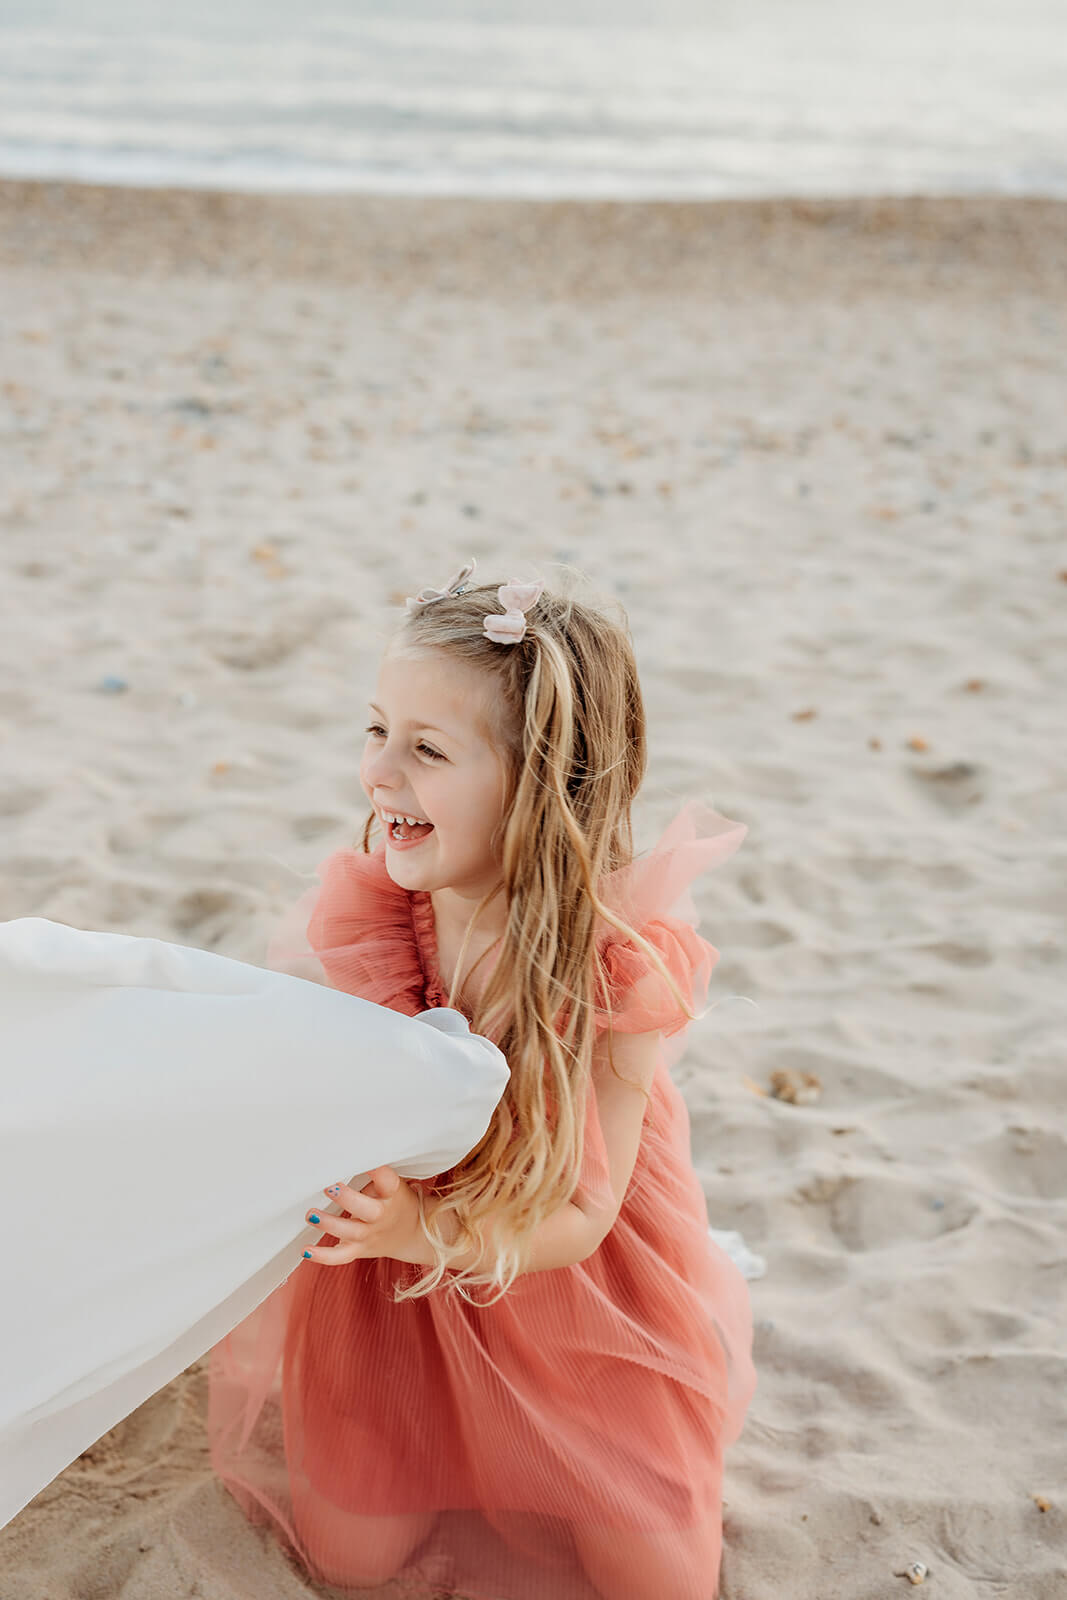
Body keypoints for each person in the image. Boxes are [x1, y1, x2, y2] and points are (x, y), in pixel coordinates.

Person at [207, 558, 758, 1600]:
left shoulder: (615, 959)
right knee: (348, 1558)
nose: (378, 774)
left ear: (539, 779)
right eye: (375, 731)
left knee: (659, 1585)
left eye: (425, 750)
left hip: (569, 1281)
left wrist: (428, 1230)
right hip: (399, 1286)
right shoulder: (376, 916)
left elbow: (589, 1212)